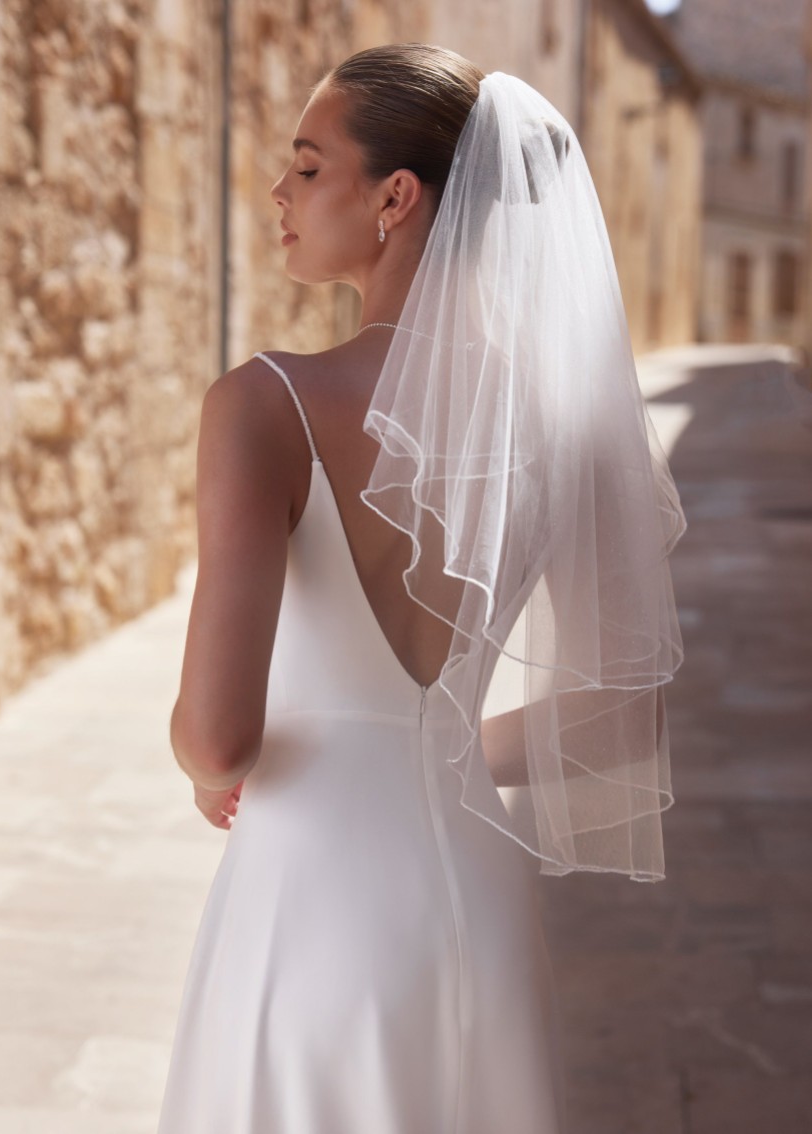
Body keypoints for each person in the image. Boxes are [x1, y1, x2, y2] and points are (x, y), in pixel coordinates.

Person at [157, 42, 685, 1134]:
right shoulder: (564, 420)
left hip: (312, 890)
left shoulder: (265, 405)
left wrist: (208, 771)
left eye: (309, 166)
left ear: (395, 197)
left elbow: (217, 738)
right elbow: (623, 715)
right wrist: (435, 744)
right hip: (477, 895)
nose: (279, 192)